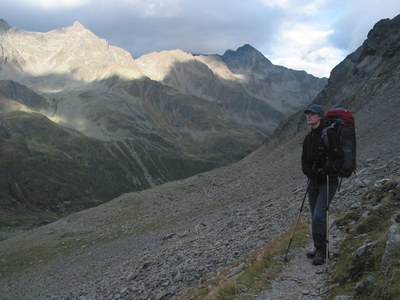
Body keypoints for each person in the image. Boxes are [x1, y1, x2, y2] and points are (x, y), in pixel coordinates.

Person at [301, 104, 343, 265]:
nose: (308, 116)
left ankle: (321, 251)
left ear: (320, 116)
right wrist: (309, 172)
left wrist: (325, 170)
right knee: (315, 217)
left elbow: (337, 159)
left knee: (319, 216)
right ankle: (320, 248)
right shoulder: (309, 137)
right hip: (313, 182)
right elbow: (304, 161)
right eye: (307, 114)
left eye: (312, 114)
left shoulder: (329, 134)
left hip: (327, 181)